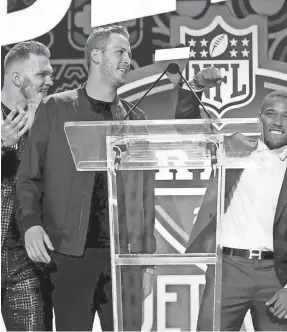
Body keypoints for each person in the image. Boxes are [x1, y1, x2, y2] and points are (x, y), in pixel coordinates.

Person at [15, 25, 214, 331]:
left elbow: (147, 194)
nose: (127, 60)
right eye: (119, 51)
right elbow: (29, 176)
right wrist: (31, 224)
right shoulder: (55, 108)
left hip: (126, 260)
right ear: (96, 56)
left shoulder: (136, 120)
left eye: (130, 54)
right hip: (69, 256)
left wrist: (146, 262)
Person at [176, 69, 287, 331]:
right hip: (227, 270)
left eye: (286, 116)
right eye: (270, 114)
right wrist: (194, 87)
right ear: (259, 118)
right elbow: (187, 131)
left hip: (275, 276)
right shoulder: (233, 147)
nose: (278, 122)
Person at [1, 40, 53, 331]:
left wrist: (38, 133)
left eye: (50, 73)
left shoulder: (49, 117)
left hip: (26, 258)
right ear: (17, 78)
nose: (50, 80)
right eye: (42, 75)